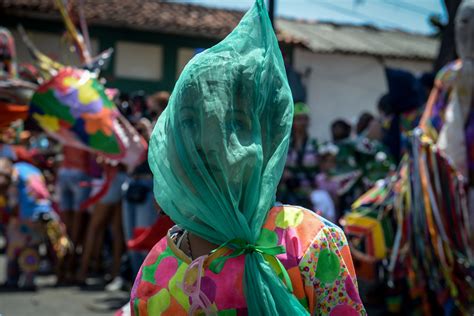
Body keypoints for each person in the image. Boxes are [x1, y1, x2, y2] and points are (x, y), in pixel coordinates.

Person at [131, 1, 365, 315]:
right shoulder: (155, 270)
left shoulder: (311, 244)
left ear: (267, 141)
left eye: (235, 123)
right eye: (189, 122)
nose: (206, 143)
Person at [56, 145, 93, 283]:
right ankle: (71, 266)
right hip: (80, 172)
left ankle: (61, 268)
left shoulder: (67, 125)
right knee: (78, 228)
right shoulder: (89, 126)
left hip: (64, 172)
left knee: (65, 227)